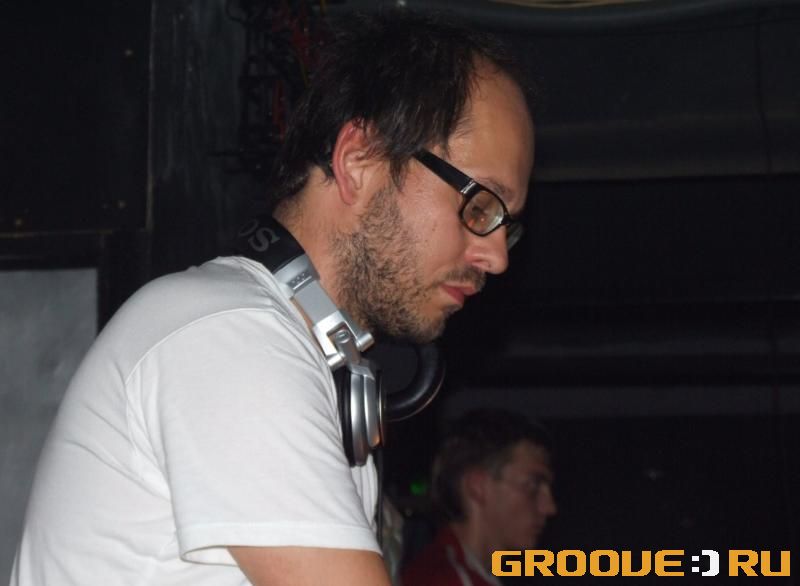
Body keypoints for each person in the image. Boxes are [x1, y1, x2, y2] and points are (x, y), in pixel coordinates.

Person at [11, 9, 535, 586]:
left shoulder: (293, 356)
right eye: (480, 205)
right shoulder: (230, 338)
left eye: (506, 226)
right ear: (359, 163)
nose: (497, 256)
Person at [401, 409, 557, 586]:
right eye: (532, 486)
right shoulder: (445, 580)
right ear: (477, 487)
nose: (549, 507)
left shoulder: (461, 574)